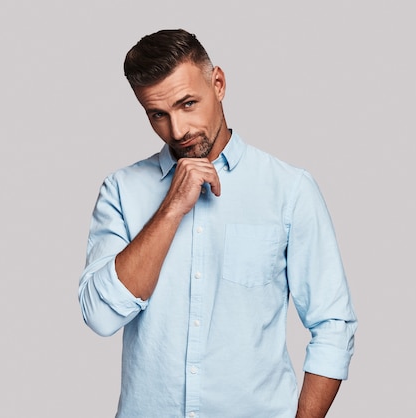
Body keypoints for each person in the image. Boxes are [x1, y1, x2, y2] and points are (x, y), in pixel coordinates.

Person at [79, 29, 357, 418]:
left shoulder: (288, 190)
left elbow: (333, 324)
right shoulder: (122, 191)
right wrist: (171, 208)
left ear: (219, 84)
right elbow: (101, 316)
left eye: (188, 103)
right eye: (158, 114)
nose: (177, 131)